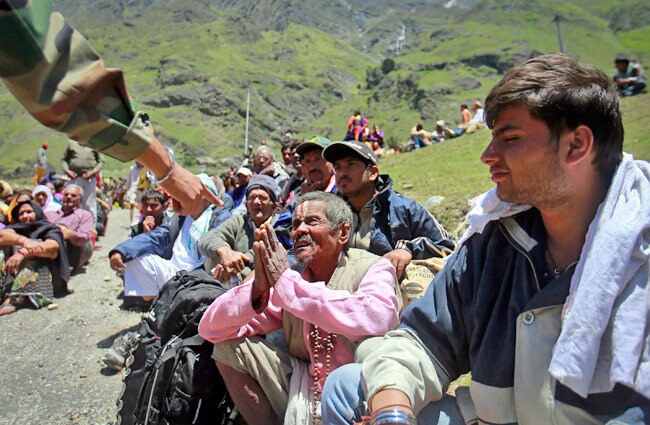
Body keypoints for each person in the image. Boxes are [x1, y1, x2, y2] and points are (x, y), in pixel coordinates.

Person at [321, 53, 650, 424]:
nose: (487, 155)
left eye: (510, 138)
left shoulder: (638, 258)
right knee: (349, 387)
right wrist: (392, 411)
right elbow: (423, 338)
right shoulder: (496, 239)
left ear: (576, 145)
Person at [0, 2, 221, 217]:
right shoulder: (72, 146)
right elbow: (56, 71)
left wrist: (165, 170)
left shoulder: (94, 152)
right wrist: (168, 171)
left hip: (90, 177)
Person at [198, 192, 401, 425]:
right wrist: (257, 290)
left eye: (312, 221)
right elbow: (210, 329)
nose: (299, 231)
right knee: (227, 347)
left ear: (343, 232)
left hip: (358, 393)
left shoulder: (373, 267)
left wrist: (288, 286)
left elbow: (378, 318)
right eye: (295, 225)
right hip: (304, 390)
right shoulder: (293, 279)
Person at [322, 140, 455, 280]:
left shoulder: (403, 208)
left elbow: (446, 246)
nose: (342, 173)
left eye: (351, 164)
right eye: (338, 167)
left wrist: (408, 250)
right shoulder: (331, 213)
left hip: (392, 287)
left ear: (373, 173)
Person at [109, 174, 229, 301]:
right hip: (174, 271)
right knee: (134, 256)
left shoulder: (219, 217)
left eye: (192, 193)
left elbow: (215, 245)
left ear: (206, 197)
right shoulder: (180, 217)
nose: (186, 197)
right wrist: (121, 251)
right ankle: (160, 300)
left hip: (201, 277)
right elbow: (155, 237)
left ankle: (176, 299)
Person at [199, 174, 285, 282]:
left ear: (274, 205)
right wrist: (224, 250)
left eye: (262, 198)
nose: (256, 202)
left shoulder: (281, 223)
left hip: (262, 281)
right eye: (252, 197)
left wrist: (233, 266)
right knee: (215, 252)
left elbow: (264, 252)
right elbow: (206, 239)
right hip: (232, 278)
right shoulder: (240, 221)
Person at [0, 201, 70, 315]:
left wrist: (23, 252)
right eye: (21, 213)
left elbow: (53, 245)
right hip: (13, 271)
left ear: (37, 212)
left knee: (38, 245)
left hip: (46, 277)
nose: (25, 216)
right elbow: (2, 235)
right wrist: (24, 241)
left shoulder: (49, 228)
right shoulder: (14, 228)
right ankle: (5, 291)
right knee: (3, 247)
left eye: (29, 212)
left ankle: (17, 298)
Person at [45, 185, 94, 273]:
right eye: (66, 194)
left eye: (73, 195)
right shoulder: (49, 214)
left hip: (71, 252)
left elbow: (85, 237)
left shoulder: (84, 215)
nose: (68, 197)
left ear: (81, 199)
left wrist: (69, 234)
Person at [61, 140, 105, 224]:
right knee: (71, 201)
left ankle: (90, 227)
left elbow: (101, 161)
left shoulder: (95, 144)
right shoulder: (71, 143)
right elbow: (63, 159)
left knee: (89, 204)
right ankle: (69, 224)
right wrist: (67, 171)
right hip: (74, 177)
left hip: (89, 179)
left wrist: (93, 172)